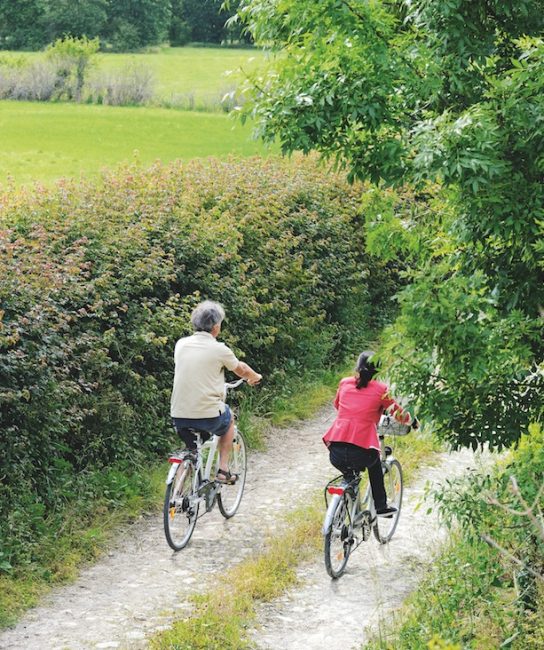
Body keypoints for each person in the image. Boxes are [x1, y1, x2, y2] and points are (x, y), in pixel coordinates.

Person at [170, 300, 262, 484]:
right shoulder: (219, 349)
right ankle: (223, 470)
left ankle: (177, 492)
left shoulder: (181, 344)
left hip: (179, 415)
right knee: (228, 420)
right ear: (216, 326)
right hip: (209, 415)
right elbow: (241, 369)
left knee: (191, 449)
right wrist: (254, 377)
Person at [323, 351, 417, 516]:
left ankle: (343, 511)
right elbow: (398, 414)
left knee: (350, 475)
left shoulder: (344, 383)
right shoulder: (381, 390)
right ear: (378, 371)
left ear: (357, 367)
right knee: (374, 463)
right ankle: (381, 507)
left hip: (335, 451)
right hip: (360, 452)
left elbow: (338, 405)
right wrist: (413, 421)